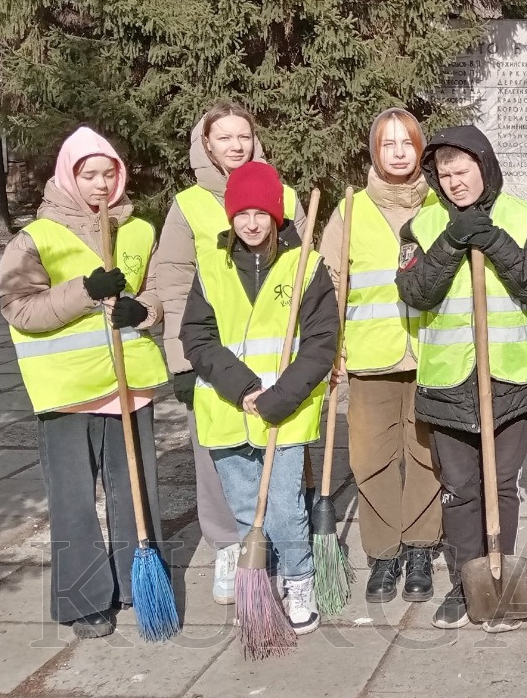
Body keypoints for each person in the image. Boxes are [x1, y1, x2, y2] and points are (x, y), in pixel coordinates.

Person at [0, 127, 168, 639]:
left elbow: (160, 290)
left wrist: (144, 310)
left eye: (108, 173)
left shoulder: (139, 231)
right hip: (67, 390)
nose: (100, 184)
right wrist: (85, 291)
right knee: (73, 497)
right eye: (88, 174)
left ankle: (138, 581)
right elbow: (19, 307)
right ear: (67, 176)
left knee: (136, 489)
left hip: (128, 384)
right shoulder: (36, 238)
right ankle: (85, 599)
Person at [394, 125, 527, 631]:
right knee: (460, 488)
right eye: (445, 175)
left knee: (501, 483)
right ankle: (467, 582)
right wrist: (451, 241)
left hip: (508, 378)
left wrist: (494, 240)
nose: (455, 182)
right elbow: (415, 292)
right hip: (448, 381)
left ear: (484, 167)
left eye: (462, 171)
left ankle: (499, 571)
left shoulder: (523, 216)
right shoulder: (421, 227)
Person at [148, 102, 302, 605]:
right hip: (213, 356)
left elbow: (305, 275)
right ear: (206, 144)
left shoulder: (285, 196)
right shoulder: (189, 205)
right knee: (218, 456)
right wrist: (181, 360)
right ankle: (229, 545)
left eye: (244, 136)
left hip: (275, 355)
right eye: (224, 137)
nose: (236, 146)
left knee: (279, 452)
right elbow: (172, 282)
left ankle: (277, 541)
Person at [181, 161, 338, 637]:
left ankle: (299, 580)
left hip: (284, 413)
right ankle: (260, 584)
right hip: (228, 409)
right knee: (247, 509)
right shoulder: (212, 267)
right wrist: (244, 388)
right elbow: (197, 337)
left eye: (261, 213)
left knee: (286, 509)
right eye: (242, 214)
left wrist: (279, 397)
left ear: (276, 215)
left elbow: (321, 342)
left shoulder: (305, 266)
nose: (251, 223)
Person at [319, 109, 443, 604]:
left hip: (433, 353)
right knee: (371, 458)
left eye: (407, 143)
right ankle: (384, 552)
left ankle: (420, 547)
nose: (398, 152)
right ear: (374, 151)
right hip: (371, 359)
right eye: (387, 144)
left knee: (426, 456)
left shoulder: (439, 204)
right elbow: (329, 284)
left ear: (420, 149)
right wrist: (332, 348)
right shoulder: (350, 210)